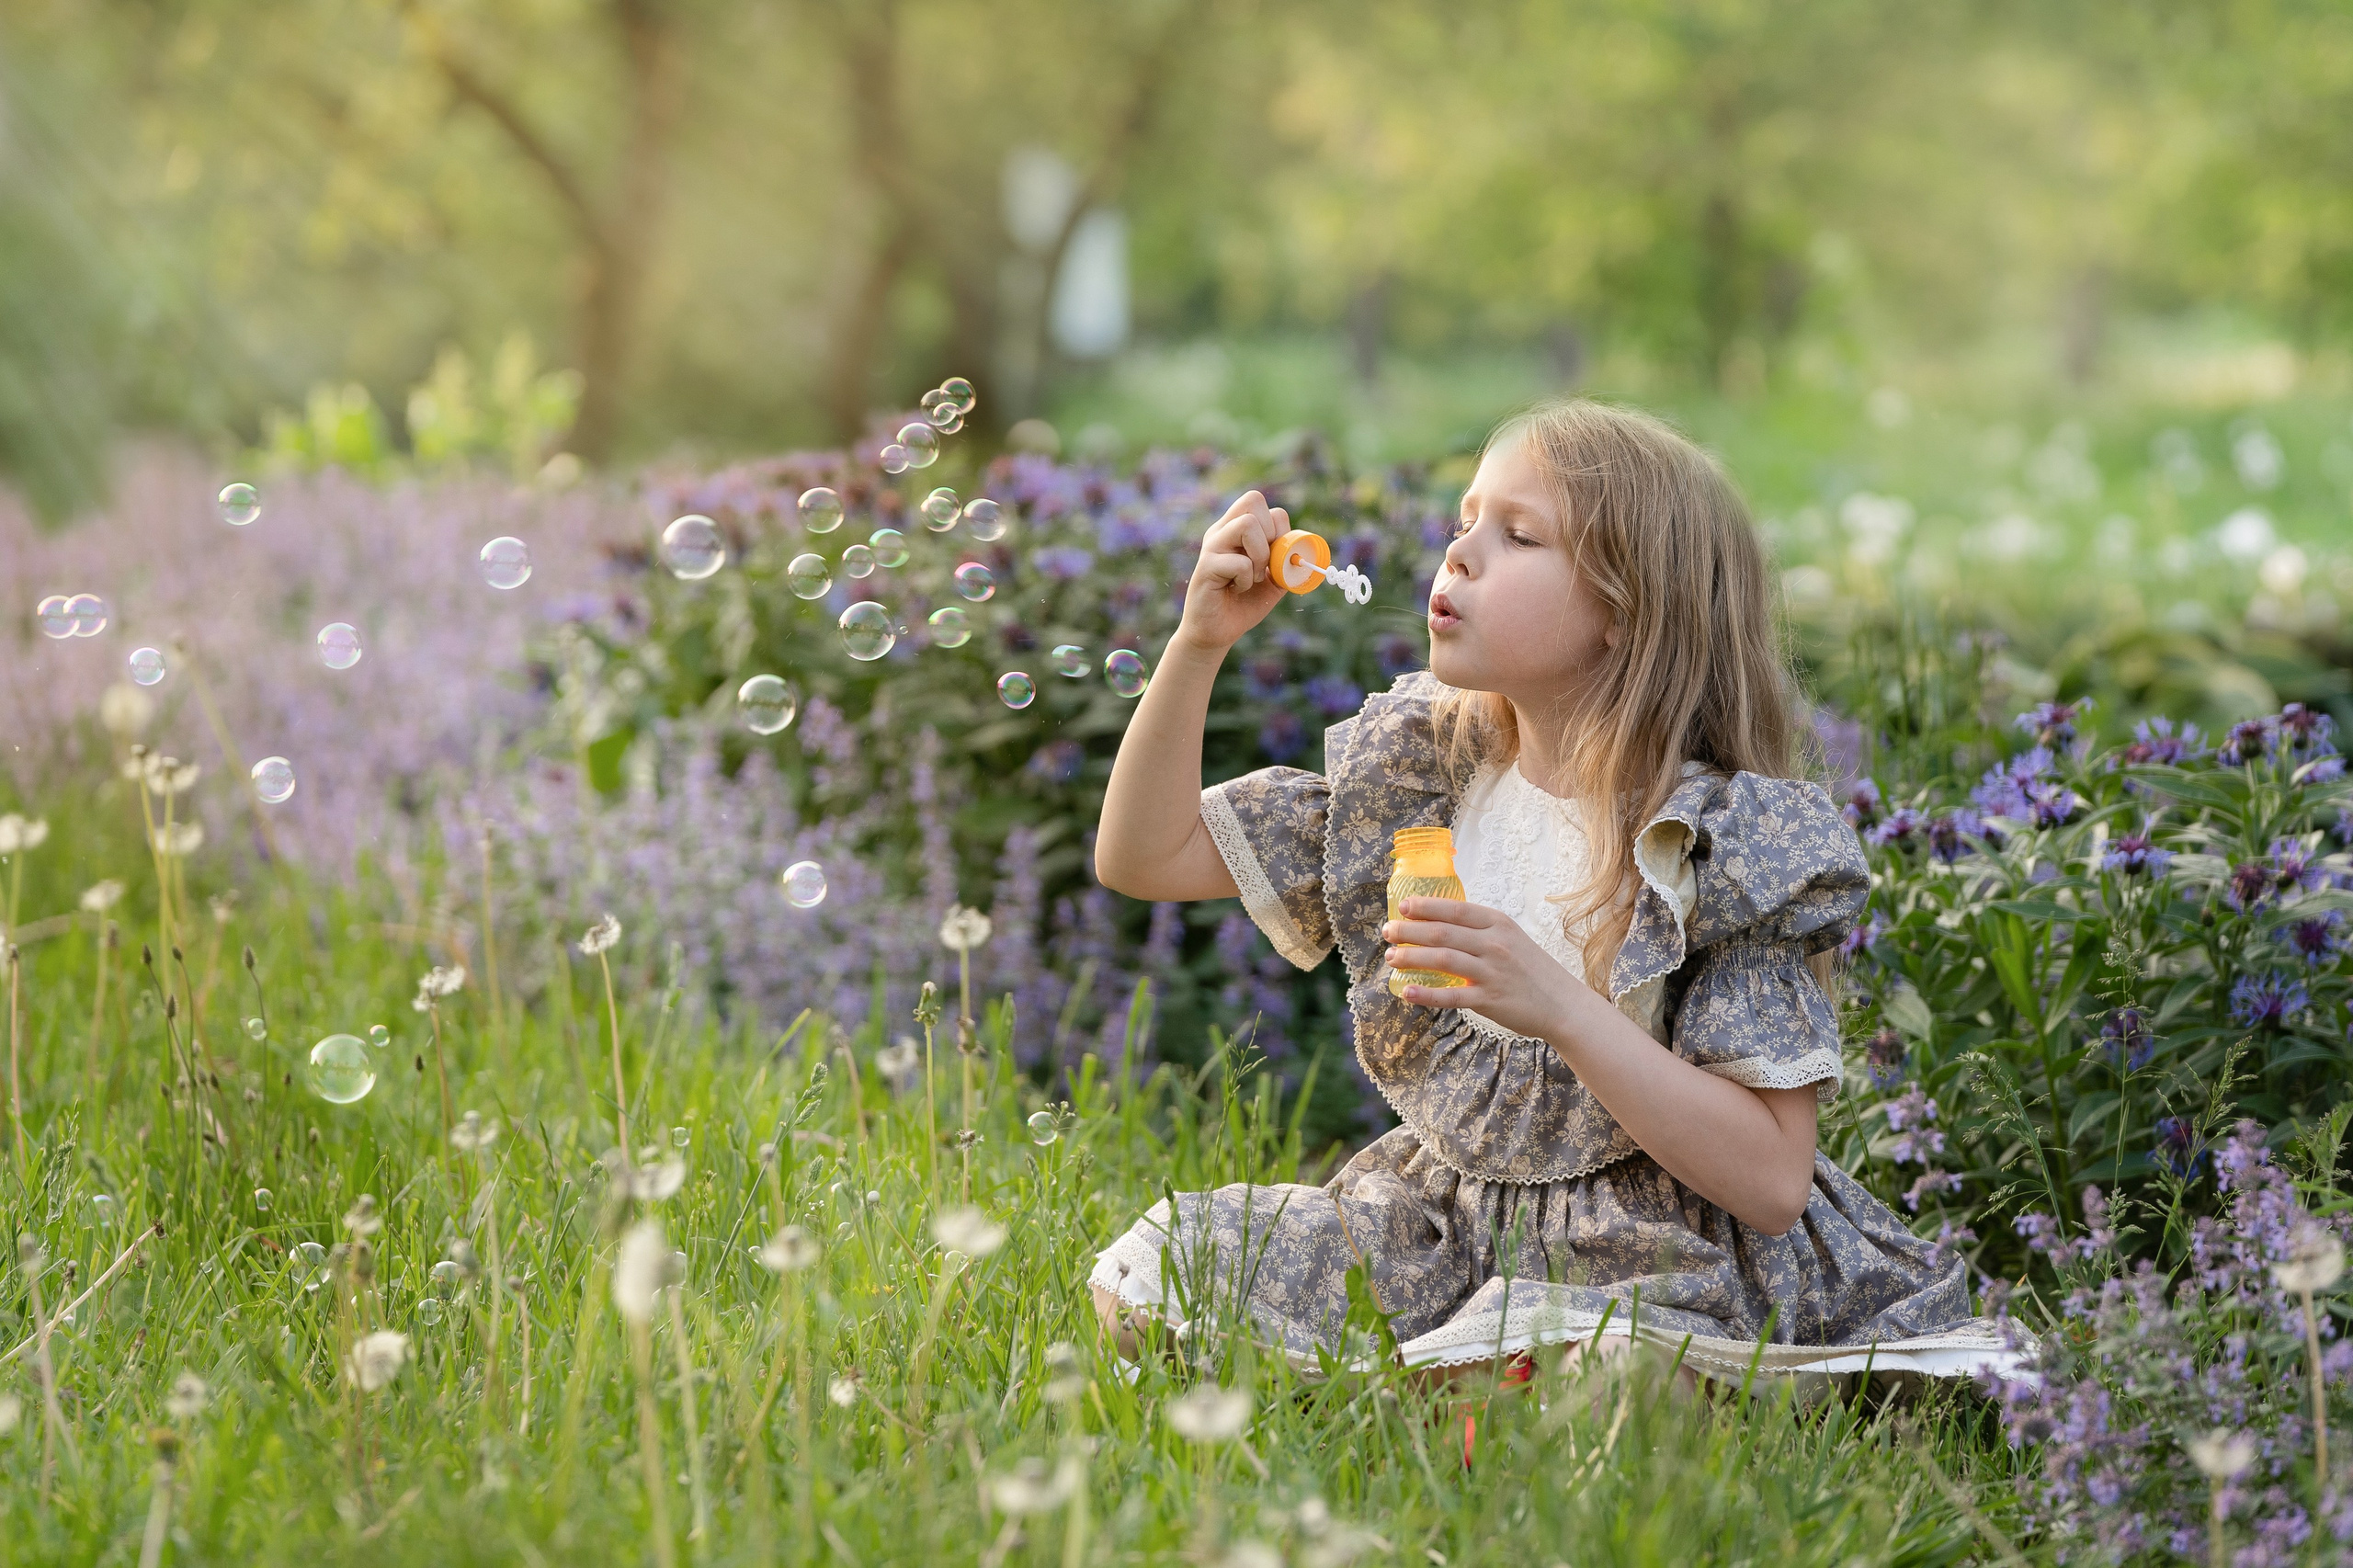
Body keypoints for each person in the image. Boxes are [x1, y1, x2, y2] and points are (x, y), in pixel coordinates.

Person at [1086, 398, 2021, 1392]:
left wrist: (1561, 1008)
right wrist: (1198, 644)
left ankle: (1487, 1389)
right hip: (1441, 1233)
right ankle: (1462, 1382)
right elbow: (1145, 855)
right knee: (1167, 1264)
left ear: (1626, 612)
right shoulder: (1422, 780)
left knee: (1611, 1367)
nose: (1460, 556)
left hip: (1659, 1259)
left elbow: (1771, 1179)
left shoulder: (1708, 847)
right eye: (1462, 523)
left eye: (1518, 535)